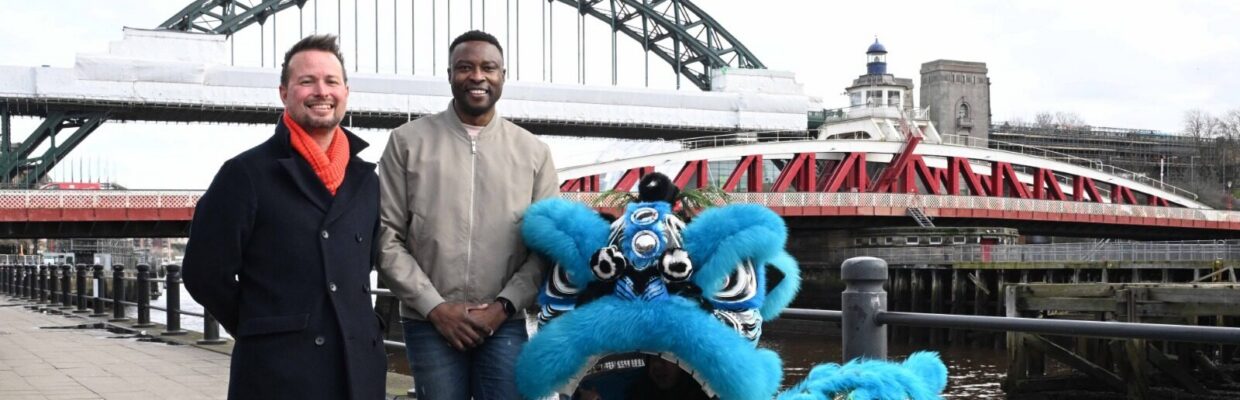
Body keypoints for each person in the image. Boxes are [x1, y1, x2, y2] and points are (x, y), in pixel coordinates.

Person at [182, 34, 386, 400]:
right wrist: (262, 329)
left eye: (331, 81)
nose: (321, 91)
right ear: (284, 93)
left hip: (359, 372)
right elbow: (203, 273)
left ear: (346, 92)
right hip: (278, 372)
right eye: (307, 81)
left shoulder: (366, 180)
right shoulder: (245, 174)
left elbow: (363, 264)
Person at [377, 30, 558, 400]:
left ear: (503, 75)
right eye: (465, 67)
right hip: (429, 321)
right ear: (449, 75)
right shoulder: (406, 142)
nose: (477, 76)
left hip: (504, 322)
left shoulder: (534, 152)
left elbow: (546, 247)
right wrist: (435, 307)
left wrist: (503, 306)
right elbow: (386, 236)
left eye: (488, 67)